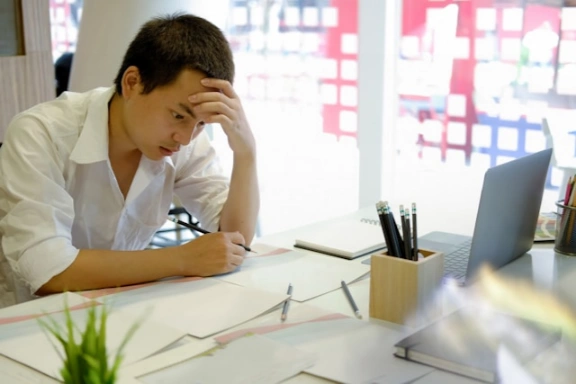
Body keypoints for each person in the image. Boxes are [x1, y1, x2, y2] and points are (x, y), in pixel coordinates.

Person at [0, 13, 259, 308]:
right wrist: (182, 258)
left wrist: (246, 152)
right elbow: (48, 270)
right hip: (31, 324)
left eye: (201, 124)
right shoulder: (40, 132)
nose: (186, 138)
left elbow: (236, 242)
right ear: (132, 82)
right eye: (178, 115)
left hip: (125, 311)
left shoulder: (183, 140)